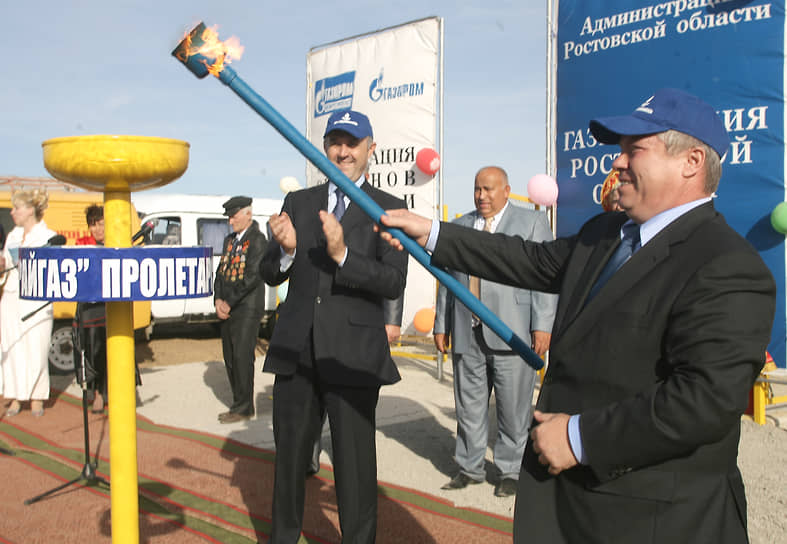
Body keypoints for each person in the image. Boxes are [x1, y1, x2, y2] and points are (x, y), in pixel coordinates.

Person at [378, 88, 776, 543]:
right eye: (620, 150)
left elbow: (704, 401)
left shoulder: (727, 265)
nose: (618, 162)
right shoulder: (605, 234)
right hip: (570, 507)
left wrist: (580, 437)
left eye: (634, 149)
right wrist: (430, 232)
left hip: (650, 520)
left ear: (692, 162)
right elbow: (526, 260)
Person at [261, 109, 408, 543]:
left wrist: (345, 256)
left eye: (352, 143)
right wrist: (285, 252)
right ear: (325, 147)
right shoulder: (300, 203)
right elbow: (270, 272)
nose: (342, 151)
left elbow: (393, 280)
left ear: (370, 149)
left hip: (354, 354)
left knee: (355, 466)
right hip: (297, 351)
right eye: (335, 142)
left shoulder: (389, 208)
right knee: (289, 461)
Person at [435, 166, 557, 497]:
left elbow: (546, 280)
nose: (482, 196)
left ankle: (510, 470)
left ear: (506, 190)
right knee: (468, 407)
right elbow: (447, 281)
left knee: (513, 409)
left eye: (489, 189)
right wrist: (441, 324)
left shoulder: (531, 223)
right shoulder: (460, 226)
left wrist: (542, 325)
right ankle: (469, 467)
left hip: (512, 332)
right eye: (477, 189)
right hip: (466, 331)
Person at [1, 189, 57, 417]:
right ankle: (15, 397)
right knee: (12, 347)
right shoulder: (12, 236)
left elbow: (53, 273)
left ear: (31, 210)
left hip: (37, 302)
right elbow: (6, 269)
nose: (13, 212)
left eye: (17, 208)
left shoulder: (48, 236)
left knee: (36, 348)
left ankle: (36, 397)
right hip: (12, 298)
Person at [214, 196, 268, 424]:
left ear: (248, 213)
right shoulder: (229, 241)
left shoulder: (258, 240)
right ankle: (238, 402)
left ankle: (244, 406)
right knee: (229, 357)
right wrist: (217, 299)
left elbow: (252, 276)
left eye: (234, 216)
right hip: (228, 307)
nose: (230, 221)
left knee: (242, 356)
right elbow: (220, 272)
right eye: (229, 217)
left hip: (246, 308)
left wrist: (229, 302)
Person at [72, 204, 109, 413]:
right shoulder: (82, 244)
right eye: (93, 225)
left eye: (101, 223)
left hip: (108, 307)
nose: (97, 229)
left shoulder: (115, 244)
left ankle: (104, 394)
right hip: (87, 306)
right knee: (89, 350)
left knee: (104, 351)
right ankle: (92, 391)